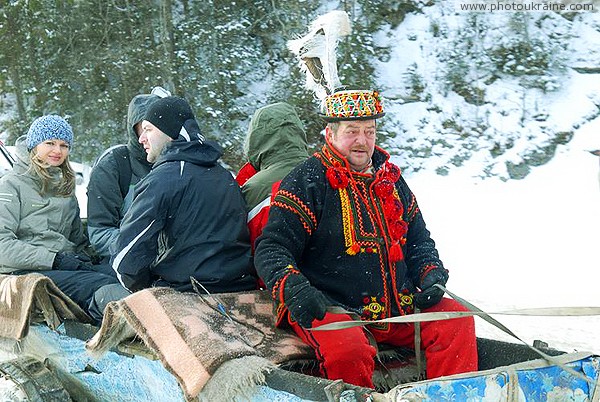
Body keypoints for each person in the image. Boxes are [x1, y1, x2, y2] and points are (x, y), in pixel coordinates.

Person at [254, 90, 478, 388]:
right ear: (330, 133)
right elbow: (273, 249)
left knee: (457, 320)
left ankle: (450, 395)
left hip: (398, 308)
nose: (362, 140)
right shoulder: (305, 180)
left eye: (369, 131)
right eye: (352, 131)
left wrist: (432, 275)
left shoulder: (393, 180)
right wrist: (295, 289)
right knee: (349, 350)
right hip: (329, 307)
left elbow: (420, 242)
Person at [90, 96, 256, 318]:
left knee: (100, 296)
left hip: (185, 294)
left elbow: (126, 258)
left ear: (168, 132)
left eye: (148, 129)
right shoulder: (223, 175)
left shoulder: (164, 179)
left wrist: (146, 286)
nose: (141, 139)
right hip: (236, 289)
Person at [0, 115, 118, 317]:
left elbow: (76, 239)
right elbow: (2, 246)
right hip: (25, 271)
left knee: (121, 274)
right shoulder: (11, 185)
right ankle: (103, 327)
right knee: (104, 285)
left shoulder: (64, 186)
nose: (57, 150)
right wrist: (55, 260)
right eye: (50, 143)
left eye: (64, 145)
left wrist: (97, 256)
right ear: (35, 145)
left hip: (63, 264)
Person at [86, 91, 161, 259]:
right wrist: (146, 247)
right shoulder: (114, 165)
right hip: (124, 260)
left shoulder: (180, 163)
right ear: (133, 128)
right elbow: (99, 232)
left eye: (154, 127)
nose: (146, 135)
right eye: (144, 127)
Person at [236, 102, 309, 250]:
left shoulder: (251, 190)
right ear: (298, 131)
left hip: (271, 271)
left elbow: (243, 247)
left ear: (254, 139)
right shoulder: (327, 173)